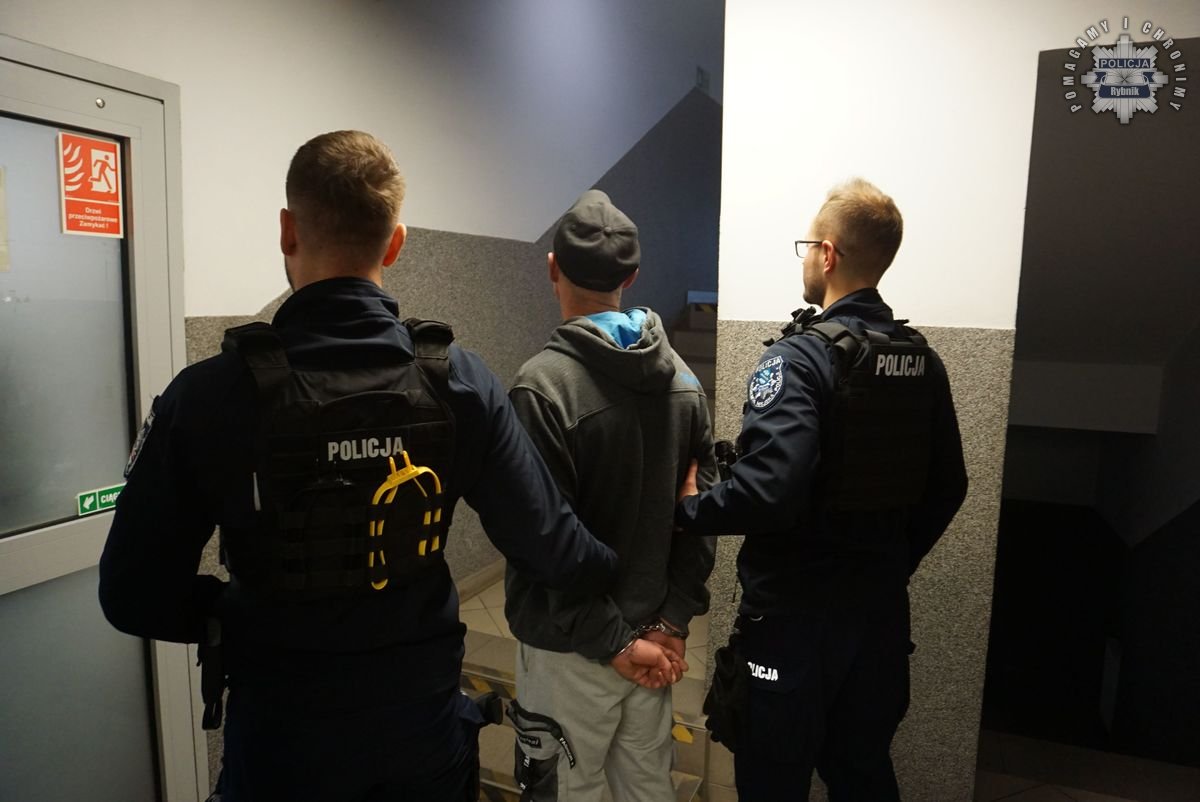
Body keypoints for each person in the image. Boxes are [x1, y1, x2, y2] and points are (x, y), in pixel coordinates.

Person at [97, 131, 648, 802]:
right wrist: (641, 574)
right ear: (395, 243)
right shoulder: (458, 383)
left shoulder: (210, 395)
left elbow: (131, 592)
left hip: (281, 746)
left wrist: (241, 614)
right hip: (421, 737)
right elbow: (554, 548)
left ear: (286, 231)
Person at [676, 178, 968, 801]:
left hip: (795, 622)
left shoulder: (799, 360)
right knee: (862, 772)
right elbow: (950, 486)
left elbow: (769, 491)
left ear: (828, 254)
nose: (806, 258)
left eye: (808, 246)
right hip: (879, 618)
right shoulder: (922, 360)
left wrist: (691, 509)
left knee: (773, 781)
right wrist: (891, 561)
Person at [503, 189, 718, 801]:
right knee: (646, 789)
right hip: (653, 637)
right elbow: (701, 514)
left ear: (552, 268)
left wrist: (614, 641)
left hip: (569, 650)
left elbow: (541, 540)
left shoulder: (542, 388)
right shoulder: (685, 383)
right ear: (632, 276)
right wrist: (672, 619)